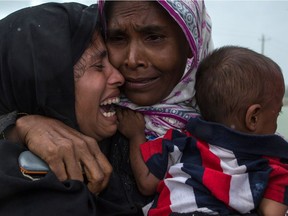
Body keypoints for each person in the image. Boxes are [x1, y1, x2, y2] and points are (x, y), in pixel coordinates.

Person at [0, 0, 214, 215]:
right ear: (50, 81)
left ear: (191, 42)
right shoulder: (103, 119)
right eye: (118, 38)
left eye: (154, 37)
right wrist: (16, 128)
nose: (130, 64)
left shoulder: (227, 121)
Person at [117, 46, 288, 215]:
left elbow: (146, 183)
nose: (276, 123)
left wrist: (136, 135)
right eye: (277, 113)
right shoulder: (272, 165)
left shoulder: (181, 141)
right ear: (253, 118)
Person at [0, 2, 124, 215]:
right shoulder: (19, 193)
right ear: (50, 83)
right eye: (98, 66)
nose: (120, 77)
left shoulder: (141, 126)